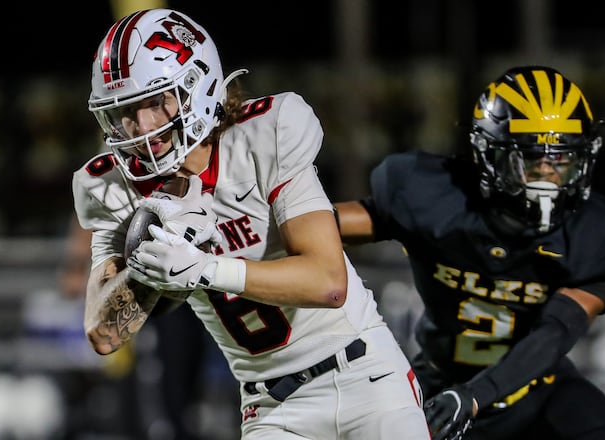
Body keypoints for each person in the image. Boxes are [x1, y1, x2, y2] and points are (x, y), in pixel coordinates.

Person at [71, 8, 430, 440]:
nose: (142, 126)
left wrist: (204, 268)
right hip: (270, 407)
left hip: (363, 376)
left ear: (197, 86)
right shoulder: (112, 186)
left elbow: (328, 282)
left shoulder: (265, 135)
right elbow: (103, 334)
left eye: (155, 102)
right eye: (126, 111)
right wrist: (148, 267)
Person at [334, 65, 605, 439]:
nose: (548, 176)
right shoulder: (437, 198)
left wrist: (475, 396)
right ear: (488, 154)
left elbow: (555, 333)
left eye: (561, 160)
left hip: (533, 385)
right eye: (531, 159)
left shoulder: (599, 233)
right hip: (441, 381)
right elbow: (319, 227)